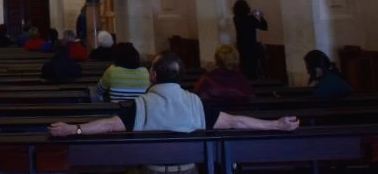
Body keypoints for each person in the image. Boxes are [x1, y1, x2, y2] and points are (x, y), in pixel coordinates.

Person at [49, 53, 299, 173]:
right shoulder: (196, 103)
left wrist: (74, 129)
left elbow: (109, 126)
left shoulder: (141, 105)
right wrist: (275, 124)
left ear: (153, 75)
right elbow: (235, 122)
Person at [232, 0, 268, 79]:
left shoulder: (235, 19)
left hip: (241, 46)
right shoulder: (250, 19)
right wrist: (261, 17)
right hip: (251, 46)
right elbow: (264, 27)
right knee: (252, 67)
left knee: (243, 66)